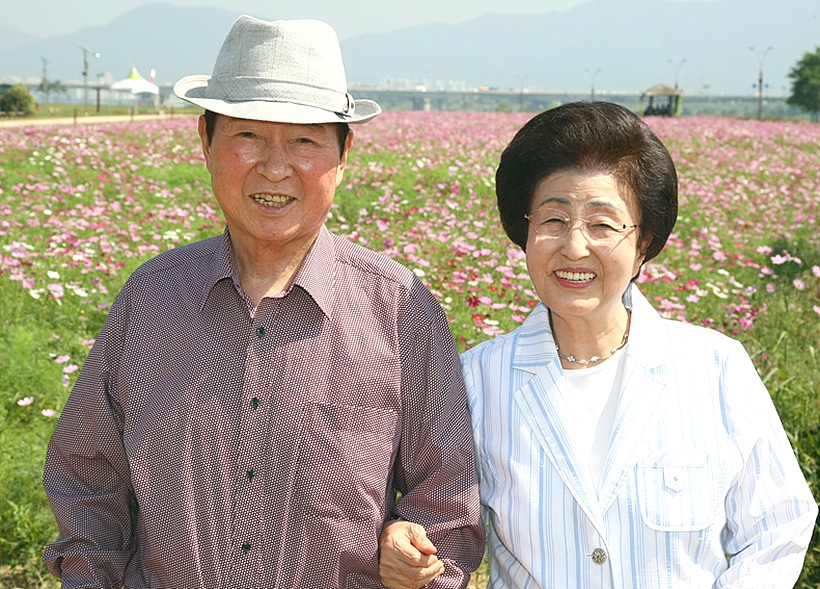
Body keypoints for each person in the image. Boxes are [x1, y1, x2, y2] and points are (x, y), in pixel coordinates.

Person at [42, 15, 484, 589]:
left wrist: (415, 554)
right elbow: (87, 482)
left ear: (344, 152)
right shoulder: (151, 297)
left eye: (304, 141)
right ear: (205, 141)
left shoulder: (400, 310)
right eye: (248, 135)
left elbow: (448, 511)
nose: (275, 167)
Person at [380, 101, 818, 588]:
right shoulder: (475, 380)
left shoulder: (715, 366)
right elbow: (438, 519)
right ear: (524, 232)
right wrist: (402, 537)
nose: (574, 246)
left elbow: (780, 526)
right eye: (552, 220)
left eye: (603, 225)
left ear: (643, 244)